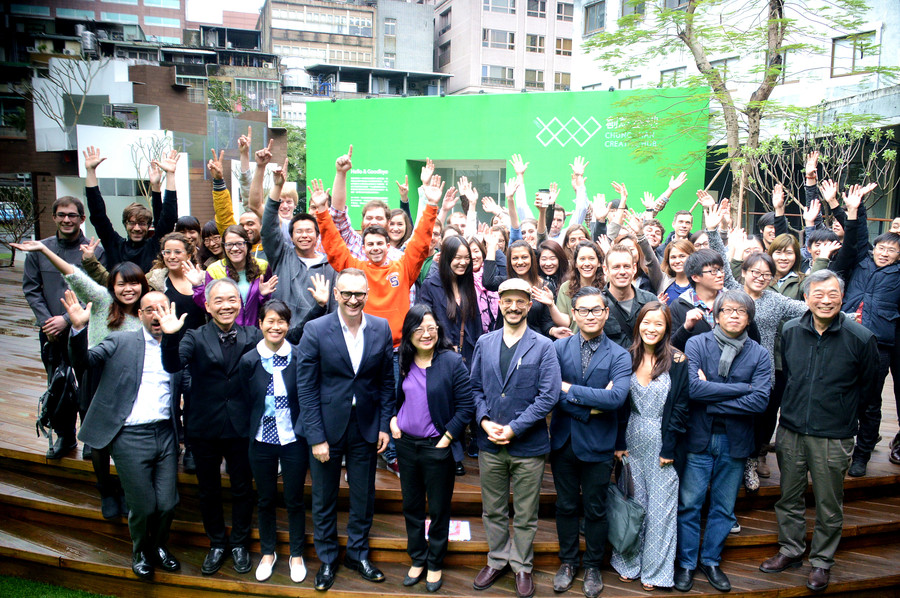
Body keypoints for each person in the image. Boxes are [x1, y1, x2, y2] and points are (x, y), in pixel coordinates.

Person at [759, 270, 879, 592]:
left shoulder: (860, 338)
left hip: (834, 435)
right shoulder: (790, 330)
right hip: (791, 430)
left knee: (828, 502)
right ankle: (790, 549)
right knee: (789, 496)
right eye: (818, 294)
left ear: (842, 297)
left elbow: (870, 395)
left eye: (832, 294)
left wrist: (860, 438)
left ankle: (822, 560)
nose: (825, 301)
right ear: (806, 298)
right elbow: (788, 376)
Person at [14, 239, 147, 518]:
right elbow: (73, 274)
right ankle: (105, 489)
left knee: (126, 437)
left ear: (142, 286)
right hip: (96, 374)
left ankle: (126, 487)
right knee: (98, 440)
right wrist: (44, 250)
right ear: (112, 286)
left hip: (131, 379)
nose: (128, 289)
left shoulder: (147, 312)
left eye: (134, 283)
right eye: (122, 284)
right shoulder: (102, 300)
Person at [66, 291, 180, 580]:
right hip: (130, 436)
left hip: (166, 434)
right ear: (139, 315)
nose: (157, 314)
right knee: (143, 505)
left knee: (168, 503)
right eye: (150, 309)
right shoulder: (120, 341)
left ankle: (159, 546)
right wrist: (78, 329)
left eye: (162, 308)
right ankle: (141, 551)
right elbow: (84, 362)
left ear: (171, 312)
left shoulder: (180, 346)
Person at [296, 268, 396, 590]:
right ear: (336, 294)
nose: (353, 300)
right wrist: (316, 437)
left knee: (363, 496)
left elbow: (386, 382)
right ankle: (327, 559)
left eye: (359, 294)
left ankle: (357, 554)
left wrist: (384, 425)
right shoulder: (315, 329)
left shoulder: (380, 328)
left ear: (367, 294)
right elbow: (306, 387)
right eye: (347, 293)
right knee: (324, 497)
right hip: (326, 427)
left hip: (365, 426)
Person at [160, 278, 262, 577]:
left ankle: (240, 543)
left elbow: (284, 342)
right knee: (208, 489)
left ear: (240, 303)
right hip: (204, 426)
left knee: (243, 488)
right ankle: (217, 542)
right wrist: (169, 337)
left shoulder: (253, 335)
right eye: (218, 300)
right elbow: (173, 365)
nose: (226, 306)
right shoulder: (194, 336)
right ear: (207, 305)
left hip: (242, 426)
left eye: (232, 299)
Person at [470, 278, 561, 598]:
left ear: (529, 305)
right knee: (493, 510)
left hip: (528, 446)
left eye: (520, 301)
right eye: (507, 301)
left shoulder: (544, 346)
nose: (513, 307)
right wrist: (484, 421)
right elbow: (475, 388)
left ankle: (522, 564)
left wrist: (514, 428)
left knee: (525, 513)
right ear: (499, 303)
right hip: (490, 443)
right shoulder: (484, 342)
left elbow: (548, 396)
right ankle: (497, 559)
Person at [676, 290, 772, 593]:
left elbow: (760, 401)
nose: (734, 315)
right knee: (690, 504)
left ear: (749, 319)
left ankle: (711, 560)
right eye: (727, 310)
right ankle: (686, 563)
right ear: (715, 315)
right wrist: (742, 388)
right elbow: (692, 389)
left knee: (724, 507)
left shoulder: (760, 354)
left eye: (741, 311)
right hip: (699, 438)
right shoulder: (697, 343)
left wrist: (712, 398)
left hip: (736, 440)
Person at [550, 287, 631, 598]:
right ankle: (568, 562)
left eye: (596, 310)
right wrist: (591, 406)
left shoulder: (620, 355)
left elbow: (616, 399)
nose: (590, 315)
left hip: (599, 444)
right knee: (566, 505)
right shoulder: (558, 349)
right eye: (583, 310)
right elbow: (551, 394)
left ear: (606, 313)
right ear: (574, 314)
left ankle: (594, 565)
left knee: (596, 509)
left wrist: (569, 389)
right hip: (564, 441)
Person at [390, 305, 475, 593]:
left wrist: (447, 437)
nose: (426, 334)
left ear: (438, 330)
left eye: (431, 328)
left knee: (438, 509)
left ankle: (435, 562)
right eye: (419, 329)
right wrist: (393, 419)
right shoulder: (402, 360)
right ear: (409, 332)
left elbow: (466, 407)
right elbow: (393, 397)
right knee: (411, 506)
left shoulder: (451, 361)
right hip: (406, 446)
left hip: (437, 447)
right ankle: (418, 558)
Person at [611, 302, 689, 591]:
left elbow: (680, 408)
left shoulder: (678, 361)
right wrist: (619, 443)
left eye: (658, 323)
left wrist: (669, 448)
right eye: (646, 322)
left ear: (667, 328)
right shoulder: (627, 356)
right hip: (631, 438)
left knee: (661, 510)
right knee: (634, 504)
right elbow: (619, 404)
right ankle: (629, 563)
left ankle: (655, 572)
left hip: (663, 442)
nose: (651, 328)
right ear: (638, 325)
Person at [238, 300, 317, 584]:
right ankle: (267, 553)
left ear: (288, 324)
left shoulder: (299, 356)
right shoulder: (249, 360)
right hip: (261, 439)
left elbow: (308, 396)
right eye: (269, 321)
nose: (275, 326)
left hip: (293, 438)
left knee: (294, 499)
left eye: (281, 321)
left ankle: (296, 554)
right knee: (265, 498)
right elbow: (244, 400)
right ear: (260, 324)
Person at [21, 195, 107, 458]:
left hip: (85, 331)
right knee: (58, 383)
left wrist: (67, 320)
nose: (67, 220)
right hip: (51, 333)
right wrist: (47, 322)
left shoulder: (94, 251)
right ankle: (65, 436)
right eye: (61, 215)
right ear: (54, 217)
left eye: (72, 215)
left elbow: (97, 291)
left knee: (88, 385)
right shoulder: (39, 249)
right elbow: (31, 289)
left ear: (82, 219)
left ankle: (90, 437)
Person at [828, 185, 899, 477]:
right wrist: (852, 207)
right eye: (881, 248)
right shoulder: (860, 260)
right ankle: (838, 448)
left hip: (878, 346)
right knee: (839, 394)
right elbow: (856, 232)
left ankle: (862, 454)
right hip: (845, 338)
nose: (884, 253)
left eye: (892, 250)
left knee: (870, 402)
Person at [251, 154, 337, 325]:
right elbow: (269, 226)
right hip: (283, 330)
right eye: (299, 231)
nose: (304, 235)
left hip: (318, 334)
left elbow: (334, 306)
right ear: (291, 236)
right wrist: (277, 187)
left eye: (309, 231)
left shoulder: (330, 265)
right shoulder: (282, 256)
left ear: (317, 236)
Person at [83, 146, 178, 271]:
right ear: (125, 224)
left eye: (142, 223)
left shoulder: (154, 246)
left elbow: (168, 218)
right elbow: (98, 216)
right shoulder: (114, 245)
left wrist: (169, 176)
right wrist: (90, 172)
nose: (137, 228)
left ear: (149, 225)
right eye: (132, 223)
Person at [186, 225, 276, 328]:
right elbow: (208, 305)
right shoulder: (214, 270)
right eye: (229, 244)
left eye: (240, 244)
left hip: (255, 331)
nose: (235, 248)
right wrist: (198, 286)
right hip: (226, 331)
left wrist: (263, 296)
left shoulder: (262, 266)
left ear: (247, 245)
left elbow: (268, 305)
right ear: (224, 247)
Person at [208, 149, 267, 260]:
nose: (245, 228)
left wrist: (260, 166)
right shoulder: (235, 249)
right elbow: (224, 216)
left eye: (250, 224)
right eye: (241, 225)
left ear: (262, 226)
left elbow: (252, 199)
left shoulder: (273, 248)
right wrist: (218, 180)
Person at [601, 244, 659, 349]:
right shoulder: (597, 304)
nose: (622, 272)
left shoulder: (649, 300)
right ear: (606, 270)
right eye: (616, 267)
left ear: (634, 268)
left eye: (626, 266)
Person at [147, 232, 207, 331]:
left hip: (202, 337)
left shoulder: (204, 278)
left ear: (188, 256)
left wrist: (199, 285)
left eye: (177, 252)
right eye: (167, 252)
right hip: (170, 338)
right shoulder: (154, 280)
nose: (172, 256)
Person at [556, 241, 605, 333]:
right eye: (582, 259)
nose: (587, 263)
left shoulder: (607, 285)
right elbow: (565, 321)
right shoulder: (566, 288)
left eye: (591, 258)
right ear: (575, 263)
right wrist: (551, 305)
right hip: (575, 338)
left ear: (599, 263)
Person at [659, 239, 695, 305]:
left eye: (682, 256)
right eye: (673, 257)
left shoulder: (700, 283)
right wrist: (659, 305)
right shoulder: (663, 283)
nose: (677, 261)